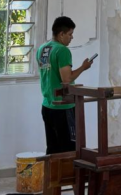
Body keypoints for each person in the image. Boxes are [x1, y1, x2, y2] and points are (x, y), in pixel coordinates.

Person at [38, 16, 94, 154]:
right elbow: (66, 79)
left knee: (53, 148)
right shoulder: (62, 50)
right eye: (70, 34)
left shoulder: (43, 49)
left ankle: (52, 169)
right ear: (61, 34)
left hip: (47, 105)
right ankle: (68, 170)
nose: (71, 37)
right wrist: (83, 67)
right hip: (63, 107)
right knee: (68, 149)